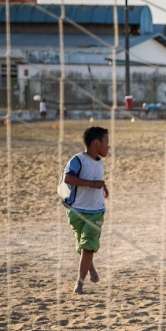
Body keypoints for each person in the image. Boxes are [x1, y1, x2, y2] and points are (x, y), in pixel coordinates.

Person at [61, 126, 110, 295]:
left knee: (88, 246)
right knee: (84, 245)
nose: (108, 146)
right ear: (96, 143)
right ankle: (91, 268)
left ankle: (79, 283)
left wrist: (103, 187)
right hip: (75, 211)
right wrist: (91, 184)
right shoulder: (78, 160)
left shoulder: (100, 161)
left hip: (96, 211)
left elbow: (97, 178)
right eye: (106, 142)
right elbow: (68, 177)